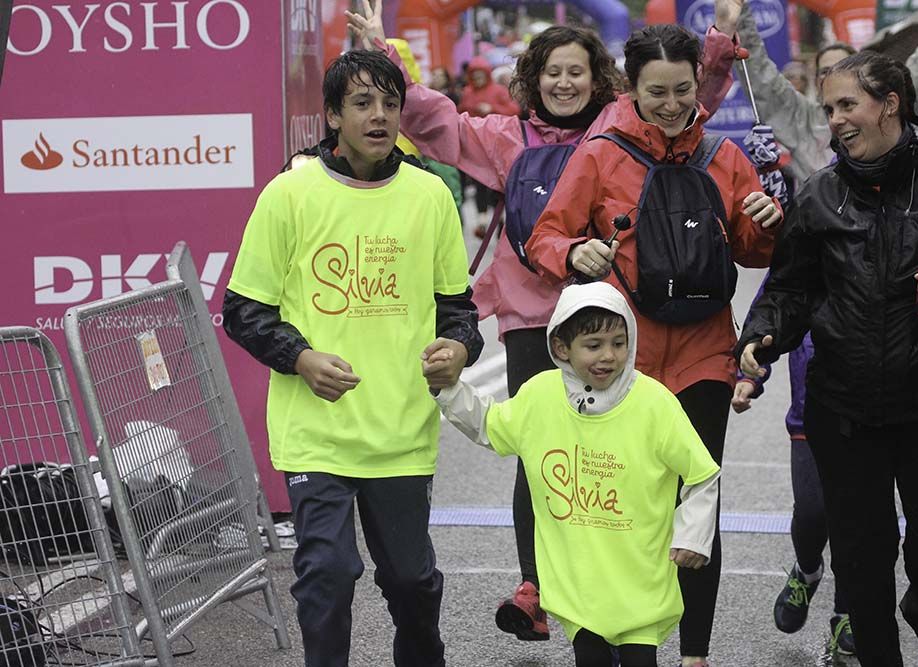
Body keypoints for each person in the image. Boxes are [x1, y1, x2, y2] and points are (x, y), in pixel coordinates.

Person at [345, 0, 740, 644]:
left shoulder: (622, 124)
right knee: (540, 452)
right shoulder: (504, 138)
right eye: (552, 72)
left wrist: (719, 40)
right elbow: (432, 119)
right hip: (533, 316)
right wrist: (383, 53)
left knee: (612, 458)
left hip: (613, 313)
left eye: (577, 72)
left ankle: (611, 584)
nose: (564, 83)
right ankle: (537, 586)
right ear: (533, 77)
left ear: (599, 79)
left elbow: (691, 102)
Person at [526, 24, 782, 667]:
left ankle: (693, 655)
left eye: (684, 92)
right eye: (657, 93)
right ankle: (608, 640)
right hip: (621, 365)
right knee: (618, 511)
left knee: (698, 504)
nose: (672, 106)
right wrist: (573, 250)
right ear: (631, 90)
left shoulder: (724, 156)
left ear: (700, 86)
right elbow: (544, 237)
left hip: (704, 357)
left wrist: (768, 225)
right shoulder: (601, 151)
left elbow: (752, 252)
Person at [736, 51, 918, 667]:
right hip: (846, 409)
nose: (836, 121)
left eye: (847, 105)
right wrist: (759, 342)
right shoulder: (820, 195)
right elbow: (790, 288)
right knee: (861, 556)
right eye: (829, 109)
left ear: (891, 105)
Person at [221, 49, 483, 667]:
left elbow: (459, 310)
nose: (380, 116)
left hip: (400, 431)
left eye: (390, 103)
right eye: (362, 103)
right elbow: (243, 310)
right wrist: (301, 358)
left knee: (413, 585)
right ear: (333, 115)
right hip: (317, 434)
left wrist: (459, 349)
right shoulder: (289, 193)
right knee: (330, 576)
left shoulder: (430, 194)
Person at [432, 281, 722, 667]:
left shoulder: (654, 404)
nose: (609, 356)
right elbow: (489, 423)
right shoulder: (540, 398)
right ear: (560, 347)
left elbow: (702, 473)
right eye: (594, 344)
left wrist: (694, 535)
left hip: (639, 584)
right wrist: (449, 388)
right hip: (577, 589)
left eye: (619, 342)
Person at [711, 0, 918, 185]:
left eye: (845, 74)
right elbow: (758, 71)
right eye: (825, 72)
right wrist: (738, 17)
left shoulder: (887, 112)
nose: (833, 81)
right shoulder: (803, 120)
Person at [730, 296, 854, 655]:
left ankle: (847, 611)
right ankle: (808, 571)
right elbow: (777, 304)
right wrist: (750, 374)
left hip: (873, 412)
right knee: (813, 510)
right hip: (811, 412)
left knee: (857, 520)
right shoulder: (808, 242)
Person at [457, 55, 521, 236]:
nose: (477, 79)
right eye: (474, 76)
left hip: (497, 145)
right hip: (475, 144)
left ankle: (499, 217)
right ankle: (483, 220)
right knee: (479, 182)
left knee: (498, 181)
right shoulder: (467, 92)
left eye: (480, 75)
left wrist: (492, 109)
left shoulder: (498, 90)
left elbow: (514, 110)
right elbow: (460, 113)